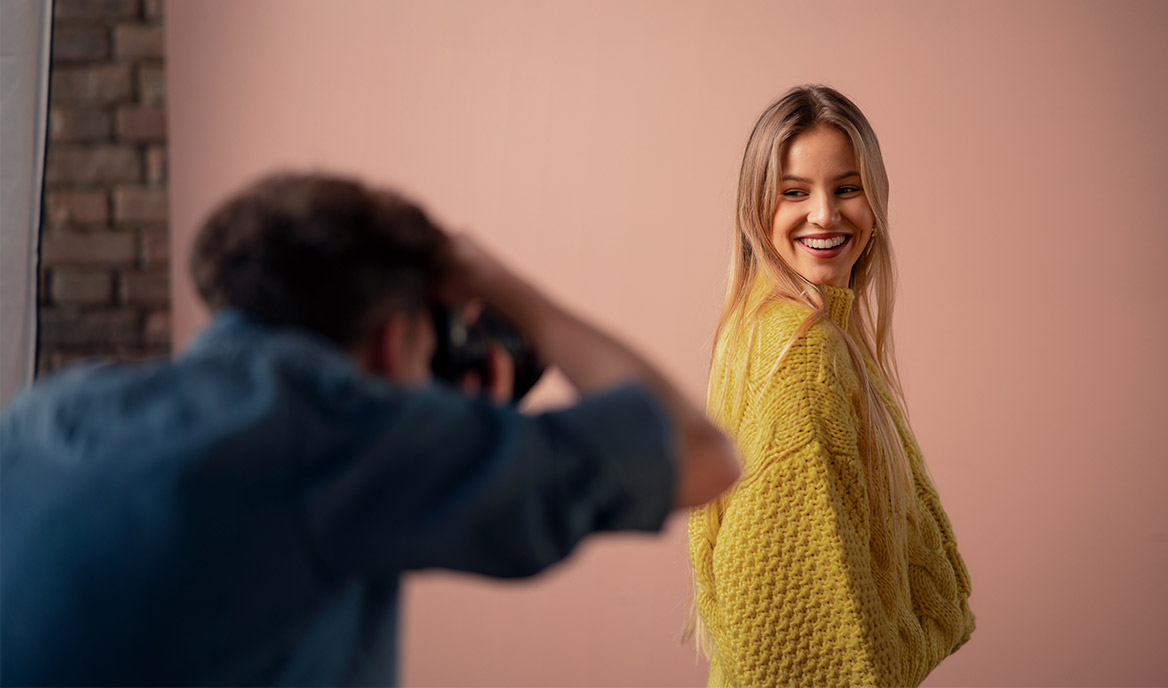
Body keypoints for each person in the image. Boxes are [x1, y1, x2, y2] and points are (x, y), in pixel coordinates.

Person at [0, 172, 740, 687]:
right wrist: (507, 290)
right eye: (427, 347)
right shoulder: (333, 433)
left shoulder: (52, 409)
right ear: (391, 339)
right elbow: (700, 455)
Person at [687, 85, 975, 687]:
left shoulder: (769, 329)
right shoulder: (802, 350)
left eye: (847, 188)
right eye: (795, 192)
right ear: (756, 209)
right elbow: (790, 638)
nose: (825, 214)